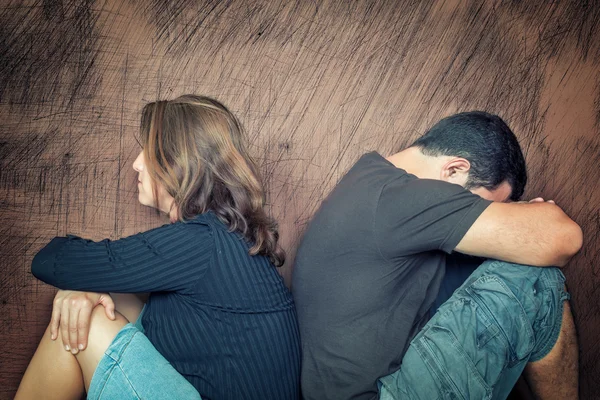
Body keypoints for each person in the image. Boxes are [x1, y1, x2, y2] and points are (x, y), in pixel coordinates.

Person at [16, 95, 301, 400]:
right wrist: (86, 288)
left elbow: (50, 261)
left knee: (84, 322)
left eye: (148, 153)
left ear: (181, 163)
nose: (137, 163)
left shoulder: (199, 243)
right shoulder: (227, 235)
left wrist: (74, 287)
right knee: (107, 298)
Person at [292, 111, 581, 399]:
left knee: (520, 260)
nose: (482, 214)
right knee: (536, 279)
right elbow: (565, 238)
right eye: (482, 205)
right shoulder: (401, 196)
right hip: (381, 395)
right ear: (454, 170)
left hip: (382, 386)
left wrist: (528, 222)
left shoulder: (374, 185)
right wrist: (530, 218)